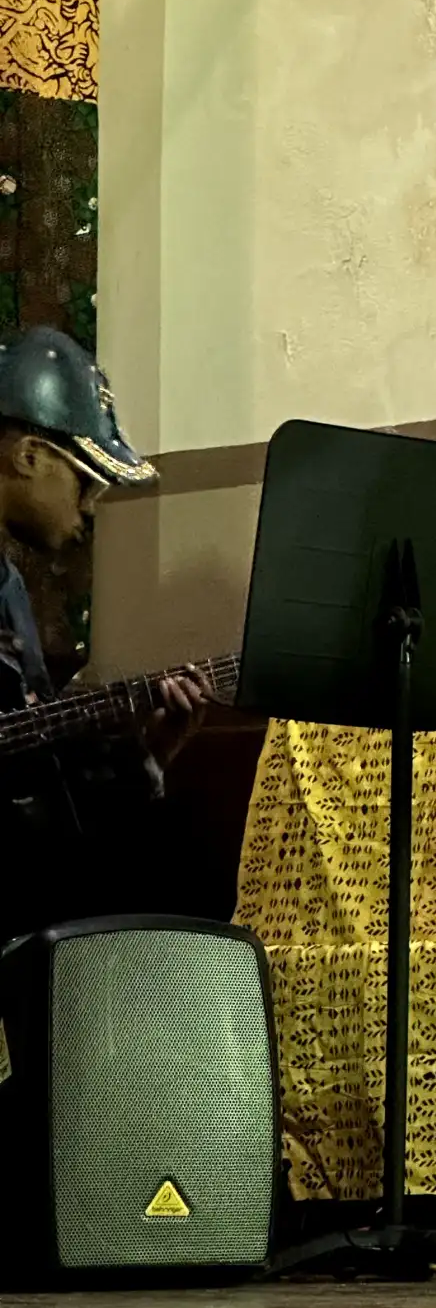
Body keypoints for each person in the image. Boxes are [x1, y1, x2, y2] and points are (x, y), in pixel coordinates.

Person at [0, 327, 211, 943]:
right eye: (84, 480)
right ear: (30, 456)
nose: (90, 507)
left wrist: (149, 754)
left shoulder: (8, 587)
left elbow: (36, 798)